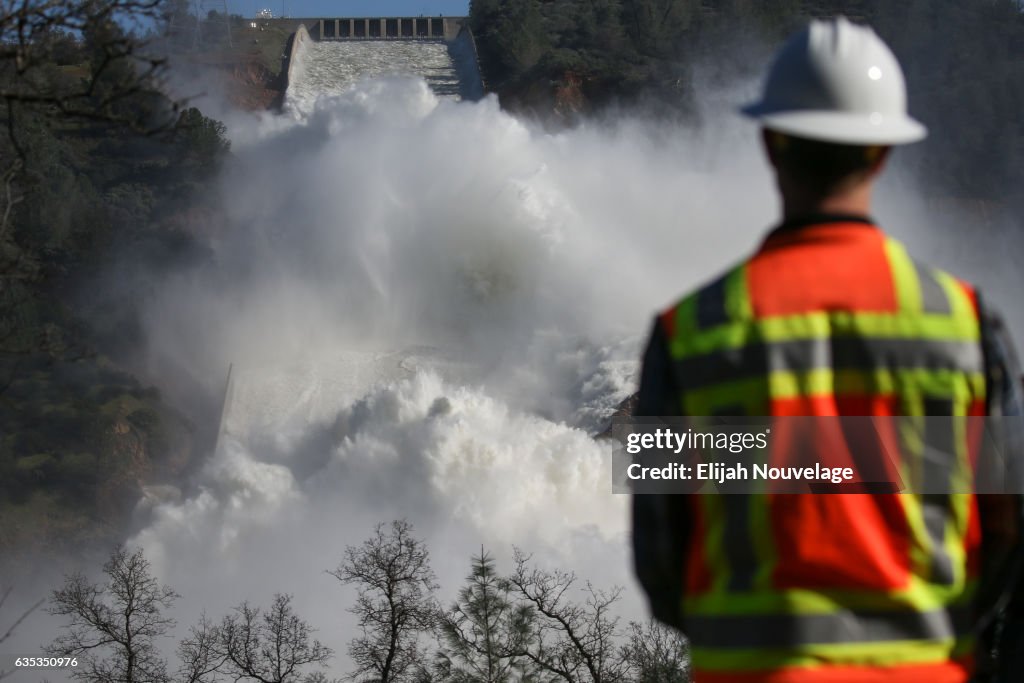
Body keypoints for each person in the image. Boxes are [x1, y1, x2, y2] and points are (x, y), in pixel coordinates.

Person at [631, 16, 1024, 683]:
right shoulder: (966, 326)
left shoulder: (685, 332)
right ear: (884, 152)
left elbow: (659, 561)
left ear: (769, 144)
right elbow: (1008, 536)